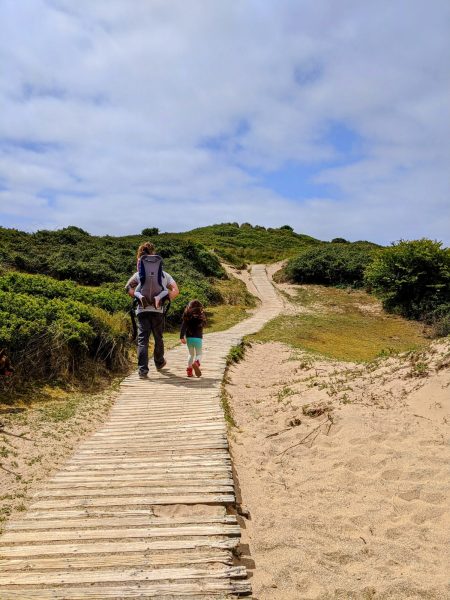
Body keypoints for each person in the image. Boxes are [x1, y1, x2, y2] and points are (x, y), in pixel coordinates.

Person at [125, 242, 179, 378]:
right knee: (158, 338)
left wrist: (137, 296)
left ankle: (143, 371)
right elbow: (176, 290)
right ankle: (159, 362)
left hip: (142, 310)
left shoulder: (138, 275)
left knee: (143, 340)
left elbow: (128, 288)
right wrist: (164, 298)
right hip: (157, 310)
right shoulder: (164, 275)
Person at [180, 299, 206, 378]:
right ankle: (196, 363)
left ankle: (189, 371)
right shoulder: (201, 316)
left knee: (191, 354)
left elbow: (183, 327)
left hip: (189, 338)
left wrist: (181, 337)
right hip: (198, 338)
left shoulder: (187, 315)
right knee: (199, 354)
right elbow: (205, 324)